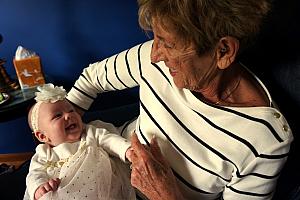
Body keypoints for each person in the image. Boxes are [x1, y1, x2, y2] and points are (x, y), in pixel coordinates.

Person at [66, 0, 293, 199]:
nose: (155, 55)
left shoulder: (264, 141)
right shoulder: (154, 59)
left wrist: (165, 194)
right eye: (155, 38)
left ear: (223, 51)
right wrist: (62, 121)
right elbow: (92, 78)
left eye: (168, 44)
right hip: (98, 165)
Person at [24, 83, 136, 200]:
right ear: (42, 136)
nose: (68, 115)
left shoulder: (90, 133)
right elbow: (34, 174)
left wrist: (127, 150)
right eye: (58, 116)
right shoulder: (43, 154)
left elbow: (109, 140)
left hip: (102, 190)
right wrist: (39, 188)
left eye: (71, 110)